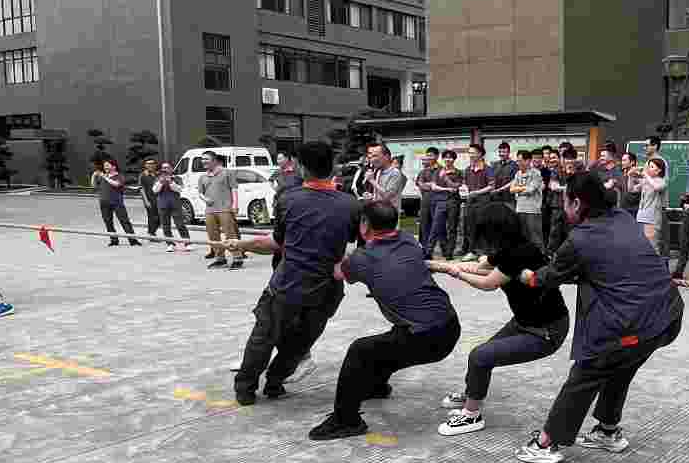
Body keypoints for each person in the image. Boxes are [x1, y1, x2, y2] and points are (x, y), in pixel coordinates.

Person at [512, 170, 683, 463]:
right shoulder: (623, 218)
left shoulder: (580, 239)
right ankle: (607, 430)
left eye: (565, 202)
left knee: (588, 370)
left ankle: (546, 443)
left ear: (577, 203)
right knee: (621, 366)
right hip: (667, 316)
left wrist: (524, 275)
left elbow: (545, 278)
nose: (565, 208)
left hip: (637, 322)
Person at [311, 201, 462, 440]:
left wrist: (334, 245)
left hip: (427, 336)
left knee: (360, 350)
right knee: (389, 343)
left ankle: (345, 420)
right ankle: (377, 386)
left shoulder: (362, 259)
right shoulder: (410, 241)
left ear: (365, 225)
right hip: (450, 325)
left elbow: (338, 272)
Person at [233, 139, 361, 406]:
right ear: (333, 167)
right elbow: (351, 247)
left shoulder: (288, 199)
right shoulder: (351, 205)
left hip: (287, 285)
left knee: (264, 336)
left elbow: (276, 243)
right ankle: (275, 383)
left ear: (301, 167)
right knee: (300, 343)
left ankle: (245, 388)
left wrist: (242, 245)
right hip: (326, 289)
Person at [434, 209, 571, 436]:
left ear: (494, 233)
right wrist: (443, 266)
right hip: (524, 321)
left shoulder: (518, 253)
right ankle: (472, 394)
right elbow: (480, 267)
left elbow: (488, 283)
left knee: (480, 356)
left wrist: (456, 273)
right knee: (482, 356)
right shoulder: (509, 248)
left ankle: (471, 415)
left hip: (544, 331)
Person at [198, 152, 245, 269]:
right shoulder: (203, 177)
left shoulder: (227, 173)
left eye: (206, 159)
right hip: (210, 210)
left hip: (225, 209)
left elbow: (234, 189)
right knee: (213, 235)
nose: (203, 161)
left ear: (214, 160)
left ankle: (237, 258)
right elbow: (200, 193)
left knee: (230, 234)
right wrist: (205, 199)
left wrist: (235, 205)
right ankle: (220, 258)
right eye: (202, 159)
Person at [454, 144, 494, 260]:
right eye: (469, 153)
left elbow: (491, 186)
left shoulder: (487, 169)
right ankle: (472, 251)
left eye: (473, 153)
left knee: (483, 227)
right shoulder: (467, 169)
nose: (470, 155)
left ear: (480, 154)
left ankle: (484, 252)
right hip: (470, 202)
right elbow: (465, 185)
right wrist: (464, 191)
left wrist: (477, 192)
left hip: (483, 202)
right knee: (470, 227)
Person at [94, 160, 142, 246]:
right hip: (104, 202)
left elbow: (116, 184)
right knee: (108, 222)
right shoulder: (103, 176)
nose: (105, 167)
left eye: (107, 165)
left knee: (124, 221)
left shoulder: (119, 176)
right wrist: (94, 175)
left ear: (114, 167)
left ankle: (133, 240)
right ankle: (114, 240)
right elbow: (94, 185)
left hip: (117, 202)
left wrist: (104, 176)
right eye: (104, 166)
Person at [423, 149, 459, 260]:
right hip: (440, 202)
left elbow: (455, 187)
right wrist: (447, 189)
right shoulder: (438, 171)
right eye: (446, 157)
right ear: (443, 159)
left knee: (452, 228)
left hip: (453, 202)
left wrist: (445, 178)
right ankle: (428, 252)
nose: (448, 159)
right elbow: (434, 187)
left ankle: (449, 253)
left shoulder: (458, 172)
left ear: (454, 159)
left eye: (450, 157)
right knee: (436, 227)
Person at [507, 145, 546, 247]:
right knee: (523, 237)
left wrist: (518, 189)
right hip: (520, 209)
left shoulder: (536, 173)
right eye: (517, 161)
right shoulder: (518, 174)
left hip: (532, 210)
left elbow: (530, 190)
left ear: (528, 161)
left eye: (520, 161)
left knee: (535, 237)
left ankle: (541, 255)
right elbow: (511, 189)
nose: (518, 163)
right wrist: (522, 188)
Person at [415, 148, 447, 257]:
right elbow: (420, 184)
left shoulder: (442, 170)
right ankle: (425, 251)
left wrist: (430, 185)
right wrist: (430, 185)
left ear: (437, 156)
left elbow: (441, 185)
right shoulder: (424, 171)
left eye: (431, 155)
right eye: (427, 155)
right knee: (424, 226)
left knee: (439, 226)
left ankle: (445, 250)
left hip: (438, 202)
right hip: (425, 201)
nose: (429, 158)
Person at [153, 163, 193, 251]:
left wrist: (171, 182)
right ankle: (170, 244)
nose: (165, 169)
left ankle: (187, 242)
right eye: (163, 168)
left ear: (171, 169)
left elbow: (179, 189)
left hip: (175, 204)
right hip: (163, 204)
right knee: (165, 225)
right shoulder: (158, 178)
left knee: (180, 224)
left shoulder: (177, 178)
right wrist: (161, 182)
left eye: (167, 167)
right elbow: (155, 190)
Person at [636, 156, 670, 251]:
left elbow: (657, 187)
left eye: (651, 167)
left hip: (652, 219)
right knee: (641, 246)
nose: (648, 169)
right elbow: (632, 189)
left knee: (652, 247)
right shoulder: (646, 181)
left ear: (659, 170)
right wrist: (631, 175)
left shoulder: (662, 181)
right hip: (641, 217)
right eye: (648, 166)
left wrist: (646, 175)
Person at [370, 149, 408, 216]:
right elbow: (378, 191)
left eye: (396, 164)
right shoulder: (380, 172)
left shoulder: (396, 174)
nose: (394, 165)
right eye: (393, 163)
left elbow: (387, 195)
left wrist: (372, 180)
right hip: (379, 208)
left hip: (390, 210)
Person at [137, 158, 163, 237]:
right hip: (149, 199)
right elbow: (141, 189)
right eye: (148, 164)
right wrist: (146, 201)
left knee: (160, 218)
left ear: (155, 165)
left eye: (152, 163)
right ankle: (151, 233)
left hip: (159, 199)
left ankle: (151, 232)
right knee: (152, 217)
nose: (150, 165)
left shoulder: (158, 174)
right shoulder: (142, 175)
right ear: (145, 165)